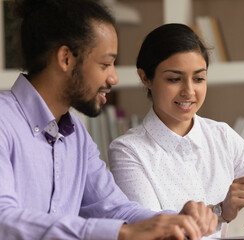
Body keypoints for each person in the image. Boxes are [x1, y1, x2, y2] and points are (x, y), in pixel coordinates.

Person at [0, 1, 218, 239]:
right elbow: (4, 220)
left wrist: (174, 221)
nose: (113, 78)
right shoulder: (4, 121)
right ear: (65, 58)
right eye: (105, 64)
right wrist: (122, 233)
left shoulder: (76, 137)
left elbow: (114, 209)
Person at [108, 23, 244, 235]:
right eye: (174, 79)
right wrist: (222, 210)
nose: (189, 91)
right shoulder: (127, 151)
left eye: (199, 79)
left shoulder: (223, 137)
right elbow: (154, 234)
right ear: (145, 77)